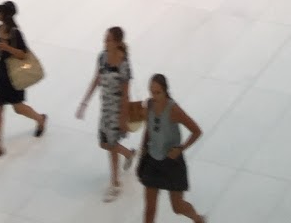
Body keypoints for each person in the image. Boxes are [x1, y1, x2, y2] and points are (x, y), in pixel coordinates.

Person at [137, 73, 205, 223]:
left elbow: (196, 131)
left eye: (157, 92)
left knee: (177, 207)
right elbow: (148, 130)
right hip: (152, 162)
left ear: (165, 91)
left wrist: (181, 148)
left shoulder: (174, 110)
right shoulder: (149, 105)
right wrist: (143, 150)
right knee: (150, 209)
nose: (154, 96)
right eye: (151, 92)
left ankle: (197, 219)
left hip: (171, 163)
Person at [77, 26, 135, 201]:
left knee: (110, 145)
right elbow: (97, 78)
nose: (105, 42)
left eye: (108, 40)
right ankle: (128, 154)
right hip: (106, 108)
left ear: (117, 43)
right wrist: (85, 101)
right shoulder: (102, 57)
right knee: (104, 143)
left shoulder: (124, 65)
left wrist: (124, 118)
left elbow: (126, 94)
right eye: (105, 39)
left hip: (117, 110)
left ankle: (115, 183)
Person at [0, 1, 47, 159]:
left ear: (5, 15)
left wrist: (7, 48)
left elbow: (23, 54)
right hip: (1, 71)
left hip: (14, 72)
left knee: (18, 107)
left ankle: (40, 119)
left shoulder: (15, 33)